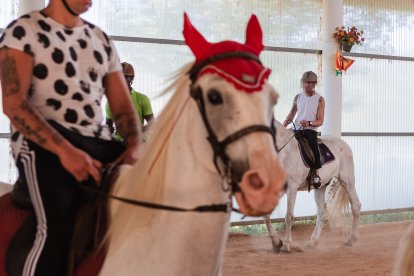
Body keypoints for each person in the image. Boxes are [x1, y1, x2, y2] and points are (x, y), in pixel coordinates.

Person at [0, 0, 141, 275]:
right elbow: (14, 104)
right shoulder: (23, 32)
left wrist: (136, 146)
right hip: (42, 145)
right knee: (57, 220)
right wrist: (66, 151)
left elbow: (123, 108)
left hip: (98, 142)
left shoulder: (101, 40)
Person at [283, 71, 325, 186]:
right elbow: (291, 114)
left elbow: (320, 121)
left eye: (311, 83)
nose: (308, 85)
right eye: (306, 82)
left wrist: (309, 123)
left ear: (314, 84)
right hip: (295, 127)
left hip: (309, 129)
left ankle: (316, 174)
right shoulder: (298, 97)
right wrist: (285, 123)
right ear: (303, 83)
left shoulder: (320, 99)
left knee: (313, 146)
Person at [106, 62, 154, 141]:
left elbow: (152, 124)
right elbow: (108, 125)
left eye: (123, 76)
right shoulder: (111, 101)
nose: (119, 79)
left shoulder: (142, 99)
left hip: (139, 139)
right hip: (119, 141)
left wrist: (140, 130)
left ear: (131, 78)